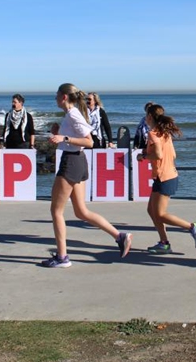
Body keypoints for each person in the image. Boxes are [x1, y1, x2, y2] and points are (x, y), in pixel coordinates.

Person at [42, 83, 132, 268]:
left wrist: (64, 138)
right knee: (81, 211)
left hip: (72, 162)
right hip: (78, 161)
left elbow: (89, 141)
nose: (55, 98)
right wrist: (58, 133)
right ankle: (119, 236)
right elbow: (75, 138)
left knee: (56, 211)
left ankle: (62, 257)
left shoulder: (74, 114)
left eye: (57, 94)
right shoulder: (71, 114)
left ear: (64, 97)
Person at [137, 104, 196, 254]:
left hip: (164, 177)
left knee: (160, 213)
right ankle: (164, 242)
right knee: (151, 210)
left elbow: (158, 155)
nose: (145, 118)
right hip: (169, 174)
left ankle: (192, 227)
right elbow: (173, 155)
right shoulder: (164, 133)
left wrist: (144, 156)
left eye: (146, 115)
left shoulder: (153, 134)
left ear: (150, 117)